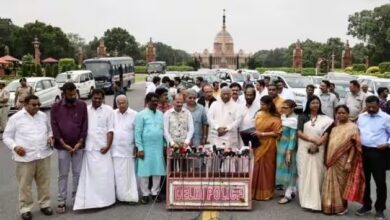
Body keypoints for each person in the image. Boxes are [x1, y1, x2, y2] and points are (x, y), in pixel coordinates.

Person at [3, 95, 54, 220]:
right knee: (25, 185)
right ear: (26, 104)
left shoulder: (42, 116)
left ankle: (45, 204)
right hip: (25, 157)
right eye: (33, 104)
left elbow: (49, 130)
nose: (37, 107)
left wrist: (50, 137)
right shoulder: (15, 118)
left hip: (43, 154)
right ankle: (25, 209)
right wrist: (15, 147)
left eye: (38, 104)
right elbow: (7, 137)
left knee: (44, 183)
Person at [73, 89, 115, 210]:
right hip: (89, 148)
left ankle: (106, 201)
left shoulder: (109, 110)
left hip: (103, 148)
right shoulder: (85, 109)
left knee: (104, 176)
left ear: (103, 99)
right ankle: (90, 203)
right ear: (91, 98)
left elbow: (110, 130)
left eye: (99, 98)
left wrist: (108, 146)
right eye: (95, 98)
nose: (97, 100)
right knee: (90, 177)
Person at [50, 82, 88, 213]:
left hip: (79, 146)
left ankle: (76, 198)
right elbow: (54, 127)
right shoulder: (55, 107)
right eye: (70, 94)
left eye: (74, 94)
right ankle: (61, 201)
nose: (73, 96)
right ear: (64, 94)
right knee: (63, 174)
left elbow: (85, 125)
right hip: (62, 147)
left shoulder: (82, 105)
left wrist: (79, 142)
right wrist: (64, 144)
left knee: (77, 174)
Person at [322, 105, 365, 215]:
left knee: (342, 184)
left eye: (343, 113)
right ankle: (329, 206)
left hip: (344, 159)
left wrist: (349, 161)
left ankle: (342, 207)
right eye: (339, 113)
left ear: (348, 114)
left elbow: (354, 147)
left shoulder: (352, 127)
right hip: (331, 158)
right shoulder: (334, 126)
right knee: (330, 181)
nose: (341, 115)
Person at [355, 96, 390, 220]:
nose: (370, 109)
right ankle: (366, 205)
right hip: (363, 152)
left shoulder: (386, 118)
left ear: (378, 105)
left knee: (380, 182)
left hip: (379, 153)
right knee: (365, 181)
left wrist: (387, 143)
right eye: (368, 106)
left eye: (373, 107)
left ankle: (380, 209)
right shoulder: (361, 117)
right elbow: (357, 131)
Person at [297, 96, 333, 211]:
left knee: (317, 174)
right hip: (304, 148)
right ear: (308, 104)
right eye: (313, 103)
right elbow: (299, 132)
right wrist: (312, 141)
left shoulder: (326, 119)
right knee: (304, 173)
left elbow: (326, 135)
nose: (315, 105)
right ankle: (305, 201)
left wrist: (317, 144)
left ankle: (316, 202)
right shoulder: (302, 116)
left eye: (317, 103)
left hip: (319, 149)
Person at [135, 93, 166, 204]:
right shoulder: (141, 115)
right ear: (147, 101)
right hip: (145, 147)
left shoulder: (161, 114)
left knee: (157, 171)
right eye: (153, 100)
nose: (155, 103)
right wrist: (140, 148)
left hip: (158, 147)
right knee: (144, 172)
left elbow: (164, 132)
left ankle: (155, 192)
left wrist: (165, 145)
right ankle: (145, 194)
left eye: (156, 100)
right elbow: (137, 133)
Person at [252, 95, 282, 201]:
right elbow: (255, 127)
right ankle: (254, 192)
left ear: (269, 105)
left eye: (263, 104)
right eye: (260, 104)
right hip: (258, 144)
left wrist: (262, 133)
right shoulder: (259, 114)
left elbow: (277, 132)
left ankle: (266, 192)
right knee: (256, 167)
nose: (261, 106)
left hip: (269, 145)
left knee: (268, 168)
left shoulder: (276, 117)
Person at [111, 95, 138, 203]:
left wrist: (137, 146)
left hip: (128, 149)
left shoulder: (135, 114)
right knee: (117, 175)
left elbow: (137, 131)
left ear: (127, 103)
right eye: (119, 103)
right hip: (115, 150)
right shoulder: (112, 114)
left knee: (128, 175)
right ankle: (118, 196)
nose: (121, 105)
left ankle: (129, 196)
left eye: (123, 103)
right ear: (116, 104)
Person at [276, 100, 298, 205]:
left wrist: (289, 151)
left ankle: (288, 195)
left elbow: (293, 138)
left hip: (288, 148)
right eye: (282, 107)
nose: (283, 109)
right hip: (281, 146)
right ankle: (291, 190)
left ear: (292, 108)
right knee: (283, 169)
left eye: (286, 108)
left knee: (289, 170)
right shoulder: (284, 118)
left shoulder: (294, 120)